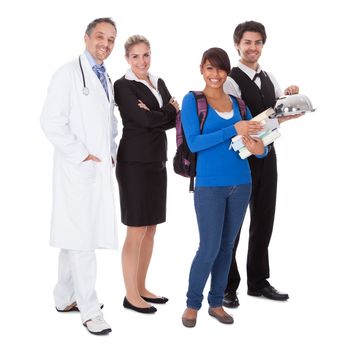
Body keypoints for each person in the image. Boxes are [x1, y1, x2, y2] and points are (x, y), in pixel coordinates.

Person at [40, 18, 118, 335]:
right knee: (81, 239)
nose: (106, 43)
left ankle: (63, 297)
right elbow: (50, 122)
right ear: (86, 38)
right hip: (77, 170)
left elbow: (107, 120)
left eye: (112, 39)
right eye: (100, 36)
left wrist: (110, 150)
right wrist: (81, 155)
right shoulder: (67, 74)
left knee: (73, 237)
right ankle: (89, 309)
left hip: (97, 169)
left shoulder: (104, 76)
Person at [181, 47, 268, 328]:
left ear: (226, 72)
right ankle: (192, 304)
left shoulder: (239, 105)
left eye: (220, 69)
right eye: (209, 68)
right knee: (208, 247)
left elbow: (260, 143)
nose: (214, 74)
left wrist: (259, 148)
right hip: (209, 186)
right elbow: (194, 143)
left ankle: (216, 303)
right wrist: (234, 129)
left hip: (241, 183)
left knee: (227, 247)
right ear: (201, 69)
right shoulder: (193, 101)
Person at [223, 20, 301, 308]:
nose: (252, 48)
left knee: (264, 220)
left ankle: (258, 282)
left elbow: (274, 115)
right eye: (247, 43)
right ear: (237, 45)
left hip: (268, 156)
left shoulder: (269, 77)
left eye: (257, 43)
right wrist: (270, 119)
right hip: (240, 159)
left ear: (262, 46)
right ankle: (227, 286)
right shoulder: (230, 80)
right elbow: (236, 123)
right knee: (232, 225)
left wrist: (289, 106)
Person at [113, 35, 179, 314]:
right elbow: (143, 120)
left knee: (151, 228)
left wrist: (161, 113)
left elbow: (171, 118)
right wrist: (165, 110)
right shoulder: (122, 86)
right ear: (127, 59)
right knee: (136, 229)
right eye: (136, 56)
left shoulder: (158, 81)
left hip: (156, 162)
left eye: (146, 55)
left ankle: (141, 288)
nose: (142, 61)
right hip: (134, 164)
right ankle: (130, 295)